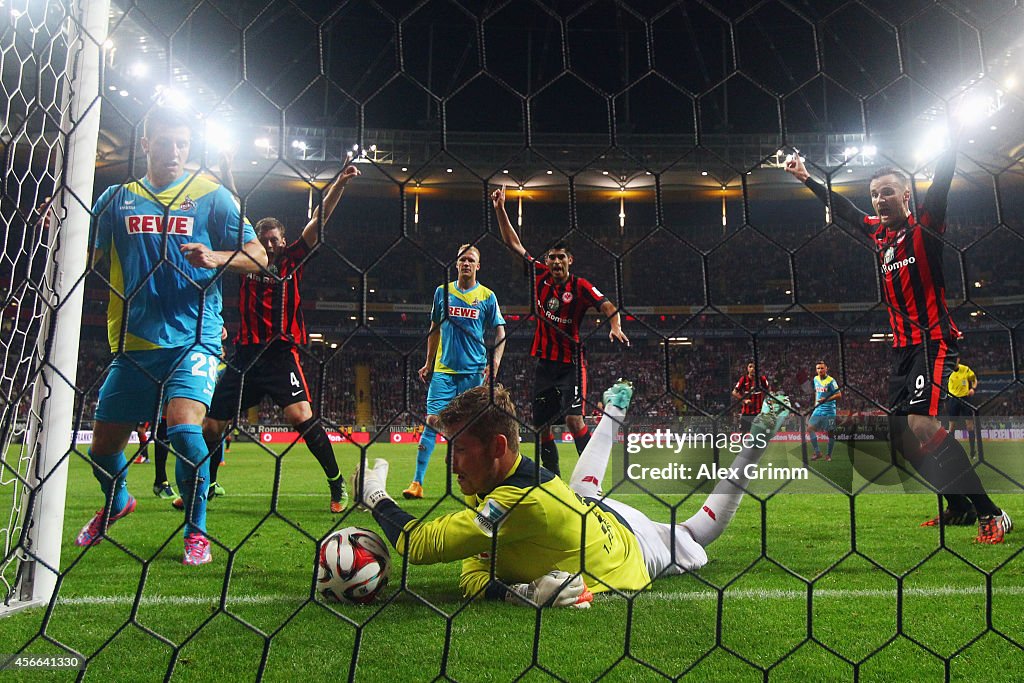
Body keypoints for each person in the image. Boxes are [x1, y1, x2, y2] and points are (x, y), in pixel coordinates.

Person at [352, 380, 793, 605]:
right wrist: (517, 594)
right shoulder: (495, 487)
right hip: (588, 513)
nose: (453, 462)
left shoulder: (515, 504)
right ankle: (615, 407)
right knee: (583, 488)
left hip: (638, 549)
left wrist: (375, 494)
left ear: (498, 447)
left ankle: (755, 441)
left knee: (698, 531)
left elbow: (420, 545)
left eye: (461, 449)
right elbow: (473, 572)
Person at [785, 128, 1011, 543]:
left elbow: (941, 182)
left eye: (887, 192)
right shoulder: (878, 234)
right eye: (874, 194)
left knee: (922, 425)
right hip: (903, 349)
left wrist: (950, 137)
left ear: (906, 196)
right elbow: (845, 207)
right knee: (904, 437)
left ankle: (992, 513)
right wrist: (805, 177)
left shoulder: (925, 225)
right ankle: (958, 507)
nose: (879, 200)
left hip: (933, 339)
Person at [75, 106, 267, 566]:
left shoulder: (212, 196)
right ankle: (118, 500)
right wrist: (56, 230)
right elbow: (86, 257)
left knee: (184, 431)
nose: (176, 152)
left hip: (194, 338)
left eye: (183, 144)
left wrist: (216, 257)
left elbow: (259, 257)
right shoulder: (117, 199)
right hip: (134, 343)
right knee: (102, 451)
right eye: (166, 143)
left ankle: (196, 532)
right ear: (145, 144)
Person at [203, 165, 361, 513]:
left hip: (279, 355)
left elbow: (319, 219)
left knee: (301, 416)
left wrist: (339, 184)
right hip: (245, 357)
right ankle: (209, 484)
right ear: (256, 243)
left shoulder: (293, 259)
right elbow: (235, 206)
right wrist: (228, 168)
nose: (271, 245)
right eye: (265, 241)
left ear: (284, 240)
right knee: (212, 425)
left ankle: (336, 485)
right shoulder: (247, 260)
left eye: (275, 240)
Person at [491, 185, 629, 476]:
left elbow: (607, 306)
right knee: (540, 425)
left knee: (574, 420)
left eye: (560, 258)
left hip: (571, 365)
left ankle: (591, 478)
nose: (555, 261)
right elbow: (513, 244)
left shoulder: (580, 286)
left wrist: (615, 326)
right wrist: (500, 209)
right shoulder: (539, 275)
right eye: (551, 257)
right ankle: (551, 478)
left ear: (570, 261)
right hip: (545, 364)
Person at [401, 244, 506, 500]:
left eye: (471, 260)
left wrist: (494, 363)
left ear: (478, 266)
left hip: (474, 374)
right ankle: (417, 482)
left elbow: (501, 332)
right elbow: (434, 328)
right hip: (444, 371)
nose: (466, 263)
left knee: (474, 429)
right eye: (462, 259)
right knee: (433, 421)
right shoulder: (442, 293)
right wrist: (428, 362)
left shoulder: (487, 296)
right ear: (456, 264)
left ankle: (482, 482)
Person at [808, 360, 842, 462]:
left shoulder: (831, 381)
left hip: (829, 410)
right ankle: (818, 452)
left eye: (822, 368)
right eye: (818, 368)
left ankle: (828, 455)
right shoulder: (815, 379)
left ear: (826, 369)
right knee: (810, 428)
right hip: (818, 409)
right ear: (816, 370)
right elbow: (816, 393)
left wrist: (826, 399)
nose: (820, 370)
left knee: (830, 433)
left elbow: (839, 395)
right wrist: (815, 405)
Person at [946, 361, 978, 459]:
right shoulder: (947, 370)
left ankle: (972, 451)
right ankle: (950, 451)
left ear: (958, 359)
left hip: (965, 399)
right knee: (951, 427)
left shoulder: (965, 369)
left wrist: (973, 388)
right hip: (952, 399)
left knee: (970, 426)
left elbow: (974, 380)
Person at [731, 361, 771, 433]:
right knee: (744, 432)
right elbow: (734, 392)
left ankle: (759, 443)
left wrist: (766, 401)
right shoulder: (743, 379)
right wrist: (744, 401)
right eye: (750, 367)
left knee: (760, 432)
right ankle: (744, 444)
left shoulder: (762, 379)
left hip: (759, 412)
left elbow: (769, 390)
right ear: (747, 368)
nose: (752, 369)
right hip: (747, 411)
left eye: (754, 367)